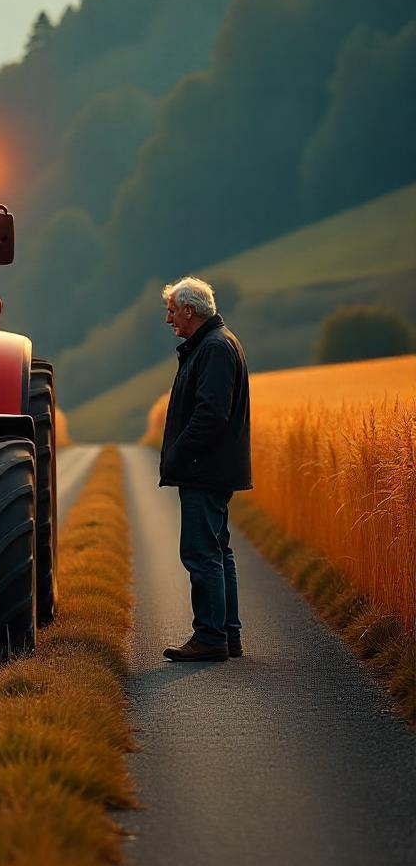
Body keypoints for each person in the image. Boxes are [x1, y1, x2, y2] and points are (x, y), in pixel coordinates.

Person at [159, 276, 251, 662]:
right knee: (218, 550)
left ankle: (210, 636)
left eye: (171, 311)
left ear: (189, 311)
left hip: (204, 469)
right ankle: (227, 635)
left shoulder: (212, 348)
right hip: (212, 468)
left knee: (200, 552)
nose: (169, 320)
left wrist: (178, 454)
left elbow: (211, 414)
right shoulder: (214, 344)